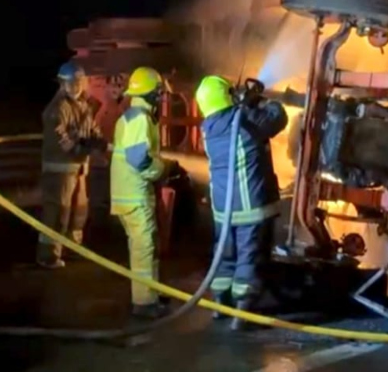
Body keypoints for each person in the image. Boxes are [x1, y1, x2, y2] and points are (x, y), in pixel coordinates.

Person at [195, 76, 288, 330]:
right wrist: (260, 100)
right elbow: (277, 118)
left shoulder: (209, 126)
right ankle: (242, 313)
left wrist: (246, 104)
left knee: (224, 256)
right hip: (250, 204)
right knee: (249, 257)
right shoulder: (241, 119)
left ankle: (220, 306)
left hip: (223, 207)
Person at [110, 66, 176, 319]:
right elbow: (139, 159)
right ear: (150, 93)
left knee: (146, 245)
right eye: (158, 92)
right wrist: (160, 169)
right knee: (143, 248)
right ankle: (145, 303)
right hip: (134, 195)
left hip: (129, 193)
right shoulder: (139, 118)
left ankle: (151, 292)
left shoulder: (131, 115)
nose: (162, 97)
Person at [38, 61, 102, 268]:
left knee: (78, 210)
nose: (75, 86)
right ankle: (48, 255)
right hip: (60, 171)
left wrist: (99, 141)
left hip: (78, 169)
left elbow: (91, 129)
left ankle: (73, 248)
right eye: (70, 83)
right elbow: (61, 141)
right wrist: (84, 148)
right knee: (58, 212)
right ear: (61, 84)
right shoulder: (57, 109)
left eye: (78, 82)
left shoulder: (84, 106)